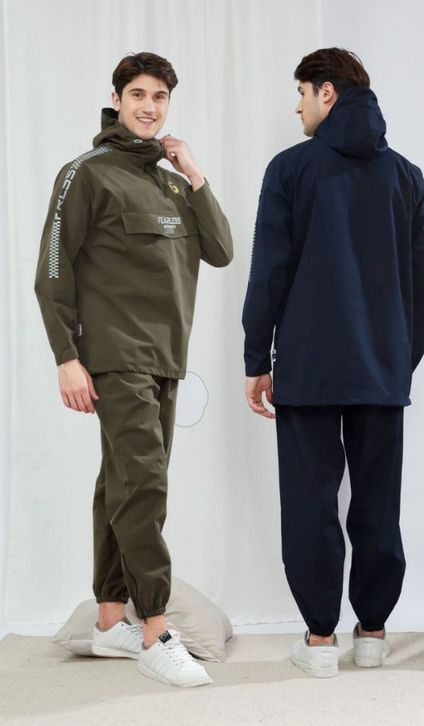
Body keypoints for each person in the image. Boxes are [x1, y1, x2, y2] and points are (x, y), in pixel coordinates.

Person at [34, 52, 233, 687]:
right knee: (145, 484)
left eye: (160, 97)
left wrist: (194, 172)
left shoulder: (172, 182)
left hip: (166, 358)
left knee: (121, 483)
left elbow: (222, 250)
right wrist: (67, 357)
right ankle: (154, 630)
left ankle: (108, 618)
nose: (150, 107)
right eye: (139, 94)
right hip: (114, 356)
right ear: (116, 99)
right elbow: (52, 272)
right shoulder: (85, 172)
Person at [242, 47, 424, 678]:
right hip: (381, 372)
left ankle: (321, 638)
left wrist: (257, 356)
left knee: (310, 504)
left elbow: (269, 272)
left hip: (308, 370)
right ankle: (373, 632)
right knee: (378, 504)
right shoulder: (406, 176)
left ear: (327, 93)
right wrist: (398, 361)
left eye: (301, 93)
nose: (296, 107)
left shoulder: (290, 169)